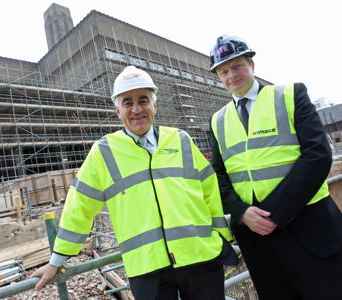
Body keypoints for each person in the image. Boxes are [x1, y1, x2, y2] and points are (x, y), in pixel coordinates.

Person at [31, 65, 237, 299]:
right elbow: (79, 207)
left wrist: (221, 237)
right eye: (127, 102)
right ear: (117, 111)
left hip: (200, 257)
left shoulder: (180, 140)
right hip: (148, 268)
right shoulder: (104, 152)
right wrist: (56, 260)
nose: (136, 109)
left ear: (154, 105)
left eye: (143, 100)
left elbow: (209, 189)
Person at [209, 35, 342, 299]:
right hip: (258, 240)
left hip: (308, 225)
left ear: (251, 65)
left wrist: (273, 214)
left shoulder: (289, 95)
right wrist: (242, 213)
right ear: (219, 77)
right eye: (224, 71)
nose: (231, 75)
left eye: (237, 66)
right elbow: (219, 177)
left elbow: (317, 155)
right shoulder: (217, 120)